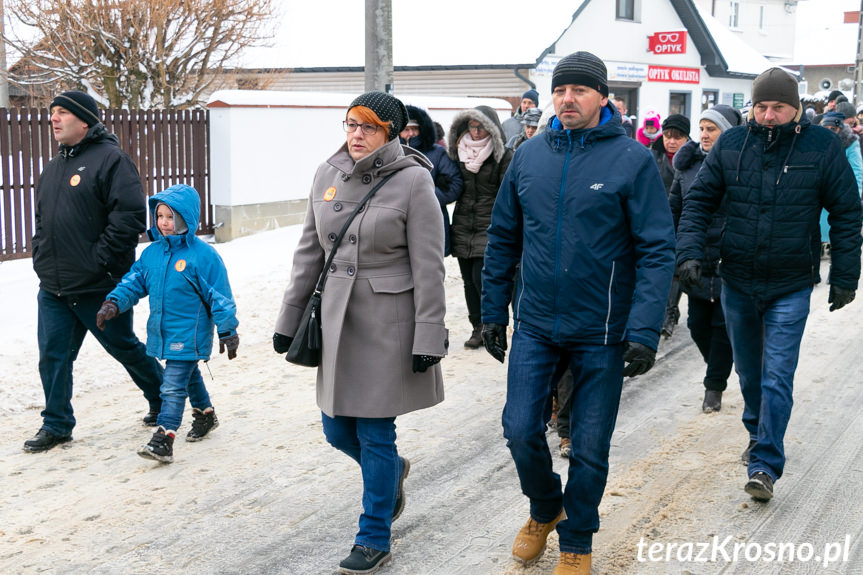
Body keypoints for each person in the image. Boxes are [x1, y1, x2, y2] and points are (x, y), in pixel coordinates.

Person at [481, 51, 675, 575]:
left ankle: (578, 540)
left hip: (603, 330)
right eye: (561, 90)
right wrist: (492, 310)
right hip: (537, 323)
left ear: (602, 98)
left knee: (588, 447)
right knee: (521, 430)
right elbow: (503, 237)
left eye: (580, 91)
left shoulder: (630, 160)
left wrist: (644, 329)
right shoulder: (529, 156)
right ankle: (546, 508)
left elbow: (657, 248)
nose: (568, 99)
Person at [273, 91, 448, 575]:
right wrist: (288, 321)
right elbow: (309, 252)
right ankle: (391, 473)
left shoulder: (414, 182)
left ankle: (373, 536)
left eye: (368, 126)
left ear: (390, 132)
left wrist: (429, 335)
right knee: (335, 429)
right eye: (351, 124)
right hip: (336, 320)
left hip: (388, 324)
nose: (356, 134)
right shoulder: (326, 174)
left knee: (374, 431)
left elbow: (429, 266)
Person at [676, 68, 862, 502]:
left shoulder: (821, 147)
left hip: (791, 282)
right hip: (736, 278)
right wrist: (687, 252)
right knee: (750, 373)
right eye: (761, 106)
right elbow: (699, 200)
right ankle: (757, 430)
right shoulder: (732, 144)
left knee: (778, 374)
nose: (769, 115)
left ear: (796, 108)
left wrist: (846, 275)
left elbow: (847, 213)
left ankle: (765, 464)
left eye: (778, 106)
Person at [24, 91, 164, 453]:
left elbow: (129, 218)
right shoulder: (53, 168)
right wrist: (40, 255)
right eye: (51, 113)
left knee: (123, 346)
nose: (53, 119)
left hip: (99, 286)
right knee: (53, 356)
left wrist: (98, 262)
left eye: (61, 113)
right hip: (54, 286)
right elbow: (42, 220)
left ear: (84, 120)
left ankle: (163, 397)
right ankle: (56, 424)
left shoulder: (112, 161)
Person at [96, 184, 239, 463]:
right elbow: (134, 281)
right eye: (160, 216)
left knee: (172, 384)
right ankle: (205, 414)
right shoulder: (152, 254)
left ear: (186, 218)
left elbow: (220, 296)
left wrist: (227, 330)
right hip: (165, 329)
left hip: (190, 331)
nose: (163, 222)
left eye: (171, 217)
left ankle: (164, 437)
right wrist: (113, 303)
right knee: (187, 373)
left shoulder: (203, 256)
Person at [668, 105, 742, 413]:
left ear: (727, 132)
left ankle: (714, 386)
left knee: (723, 324)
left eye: (711, 128)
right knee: (698, 324)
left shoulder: (740, 163)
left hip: (730, 257)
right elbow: (674, 209)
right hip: (696, 255)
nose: (704, 134)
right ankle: (719, 365)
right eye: (701, 128)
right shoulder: (686, 166)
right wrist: (676, 248)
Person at [447, 105, 513, 349]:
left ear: (492, 128)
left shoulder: (503, 156)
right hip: (463, 224)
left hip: (489, 225)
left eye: (481, 127)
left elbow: (508, 193)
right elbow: (449, 183)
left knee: (482, 278)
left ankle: (490, 324)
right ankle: (476, 325)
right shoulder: (457, 153)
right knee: (467, 281)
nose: (475, 132)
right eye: (472, 127)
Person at [401, 105, 464, 256]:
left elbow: (455, 184)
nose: (411, 134)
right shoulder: (390, 154)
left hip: (431, 219)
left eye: (414, 129)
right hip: (398, 220)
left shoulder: (438, 153)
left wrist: (425, 196)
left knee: (430, 265)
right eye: (406, 129)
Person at [653, 114, 691, 339]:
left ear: (686, 138)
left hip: (682, 221)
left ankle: (670, 312)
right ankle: (662, 312)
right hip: (656, 220)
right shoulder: (652, 156)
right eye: (667, 136)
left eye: (677, 137)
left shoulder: (693, 160)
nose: (672, 141)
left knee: (676, 271)